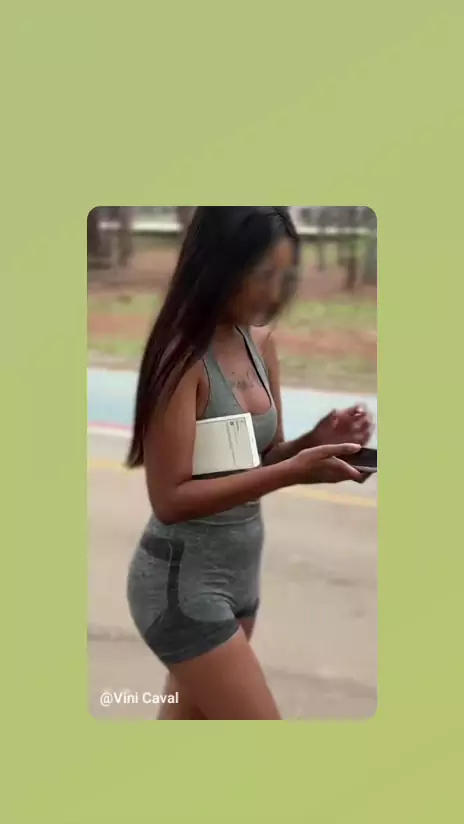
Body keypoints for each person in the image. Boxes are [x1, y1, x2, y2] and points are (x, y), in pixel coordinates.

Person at [125, 207, 372, 720]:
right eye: (263, 275)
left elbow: (264, 457)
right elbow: (170, 500)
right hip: (183, 591)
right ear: (220, 266)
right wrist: (293, 471)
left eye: (285, 276)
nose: (275, 292)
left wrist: (315, 442)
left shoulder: (258, 341)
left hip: (240, 578)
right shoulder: (183, 359)